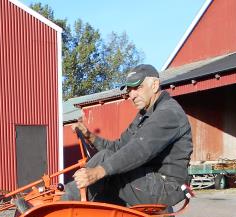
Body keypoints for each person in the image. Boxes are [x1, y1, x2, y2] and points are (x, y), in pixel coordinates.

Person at [63, 64, 193, 207]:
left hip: (166, 186)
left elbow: (138, 150)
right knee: (105, 167)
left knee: (105, 166)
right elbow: (118, 148)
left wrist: (98, 172)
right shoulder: (145, 115)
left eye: (138, 88)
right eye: (129, 90)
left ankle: (60, 208)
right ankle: (84, 216)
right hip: (148, 178)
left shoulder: (168, 113)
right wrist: (89, 135)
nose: (132, 95)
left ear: (155, 85)